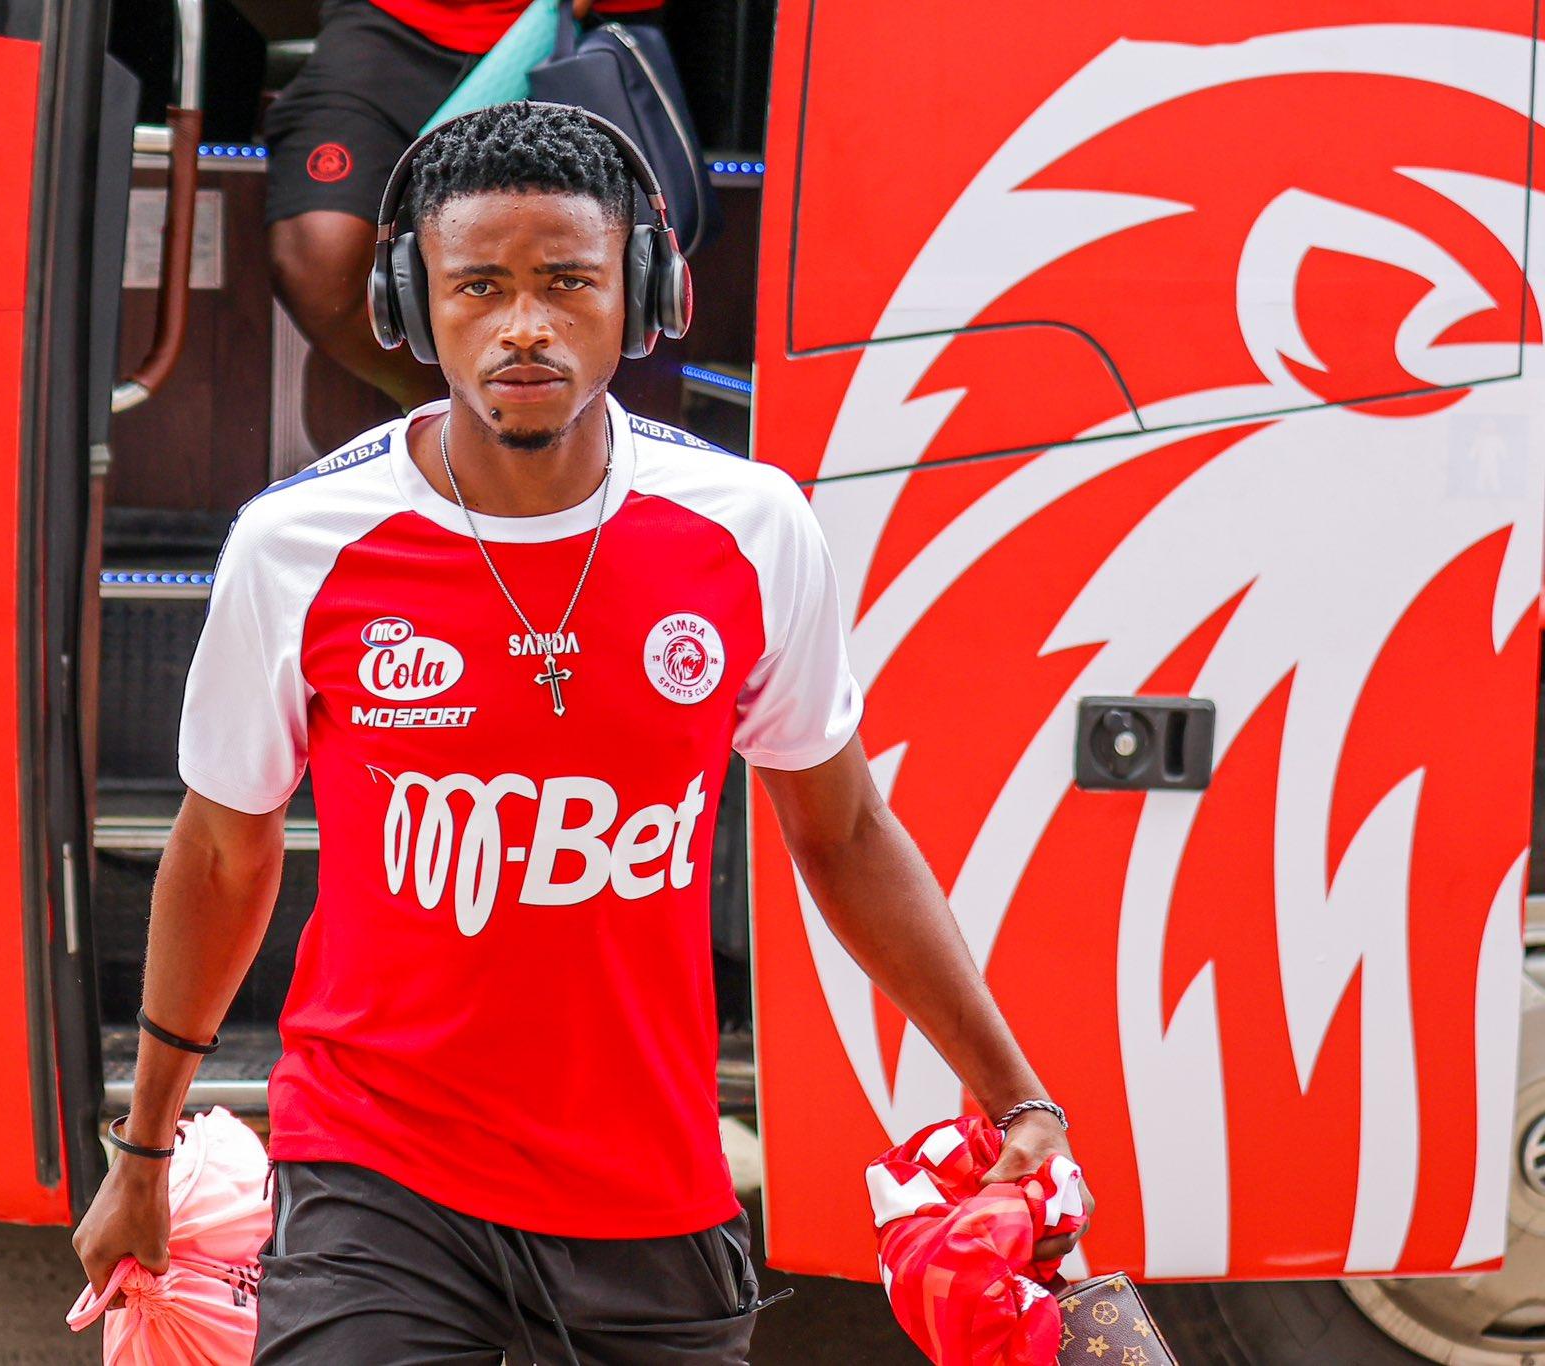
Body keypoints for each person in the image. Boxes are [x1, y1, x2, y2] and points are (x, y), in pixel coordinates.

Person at [74, 102, 1093, 1363]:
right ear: (410, 303)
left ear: (640, 295)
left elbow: (842, 834)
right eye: (478, 286)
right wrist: (143, 1151)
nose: (523, 325)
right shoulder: (297, 545)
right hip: (374, 1176)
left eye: (566, 281)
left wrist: (1014, 1092)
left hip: (647, 1195)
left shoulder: (749, 529)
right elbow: (223, 857)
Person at [263, 0, 661, 419]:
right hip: (388, 28)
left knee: (598, 246)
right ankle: (456, 416)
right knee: (324, 254)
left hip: (562, 32)